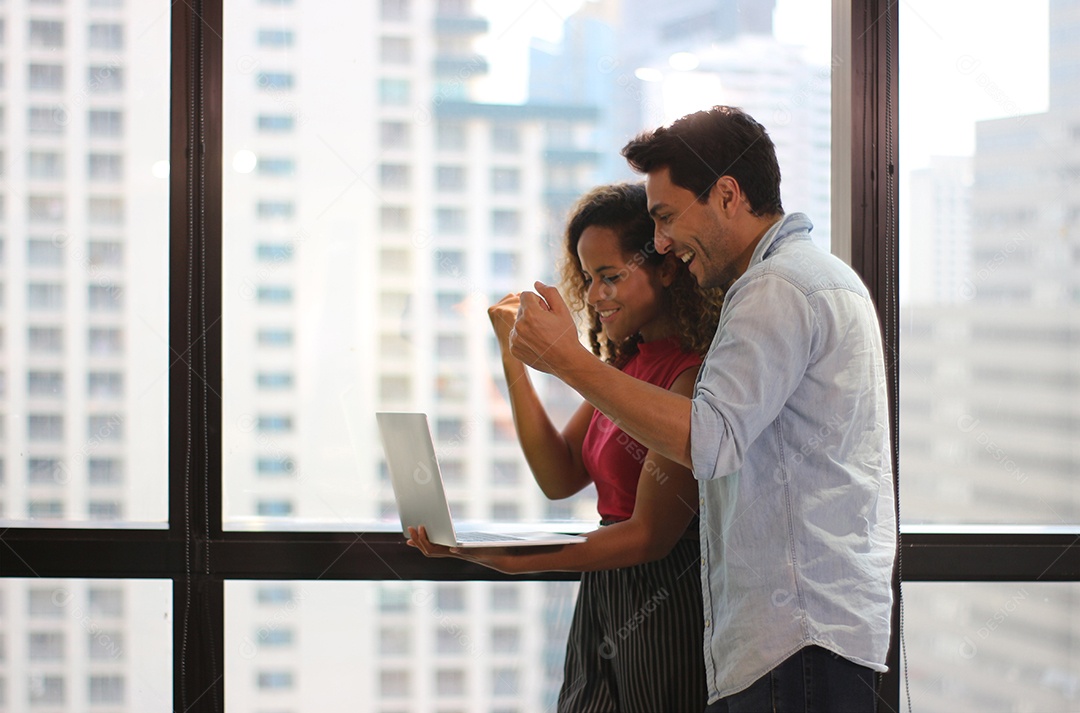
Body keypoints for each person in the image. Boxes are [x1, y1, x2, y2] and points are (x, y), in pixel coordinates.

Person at [505, 106, 897, 712]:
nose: (660, 243)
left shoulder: (778, 288)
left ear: (727, 195)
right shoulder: (808, 278)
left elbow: (709, 441)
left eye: (665, 217)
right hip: (805, 636)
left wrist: (565, 359)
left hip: (795, 640)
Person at [408, 182, 722, 712]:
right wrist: (513, 356)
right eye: (588, 279)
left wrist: (511, 560)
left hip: (664, 598)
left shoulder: (690, 375)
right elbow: (558, 476)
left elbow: (649, 537)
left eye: (611, 277)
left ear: (665, 269)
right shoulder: (626, 366)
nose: (595, 296)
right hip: (604, 589)